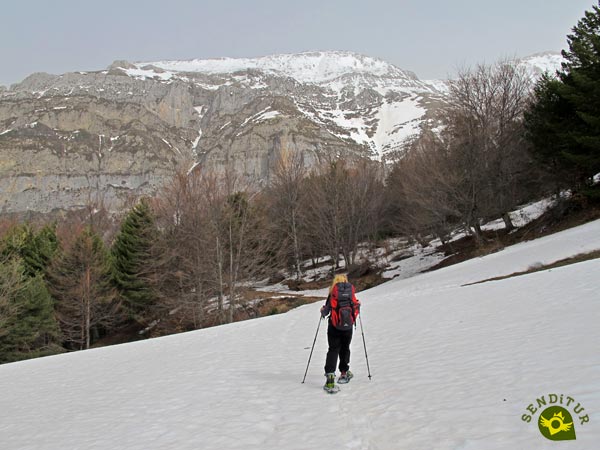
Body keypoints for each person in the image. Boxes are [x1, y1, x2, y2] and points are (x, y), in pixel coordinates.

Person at [320, 273, 360, 390]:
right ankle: (344, 372)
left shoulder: (333, 294)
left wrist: (322, 311)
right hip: (348, 327)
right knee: (345, 348)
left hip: (334, 327)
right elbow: (355, 307)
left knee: (333, 350)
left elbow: (326, 312)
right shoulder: (350, 293)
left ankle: (330, 377)